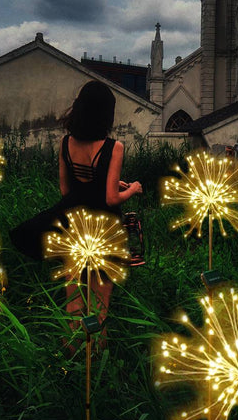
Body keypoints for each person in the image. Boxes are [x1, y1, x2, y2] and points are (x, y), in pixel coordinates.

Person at [10, 80, 142, 352]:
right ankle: (95, 362)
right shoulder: (113, 147)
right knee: (100, 302)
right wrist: (133, 190)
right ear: (107, 113)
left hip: (74, 226)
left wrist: (102, 185)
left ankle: (70, 357)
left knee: (74, 298)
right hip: (105, 230)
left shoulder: (66, 142)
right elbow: (109, 198)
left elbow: (67, 189)